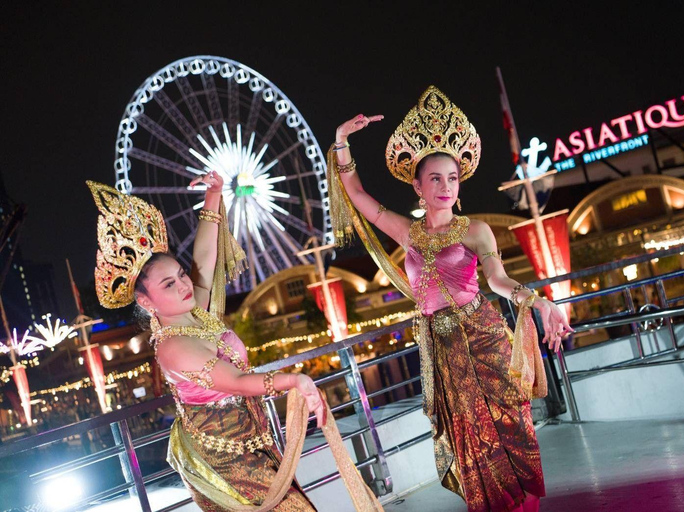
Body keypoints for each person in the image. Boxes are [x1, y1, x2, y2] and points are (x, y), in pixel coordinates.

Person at [327, 87, 573, 512]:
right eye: (435, 179)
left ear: (460, 185)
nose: (444, 186)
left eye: (452, 178)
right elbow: (359, 197)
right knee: (468, 438)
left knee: (510, 426)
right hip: (442, 350)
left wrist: (538, 302)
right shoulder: (408, 232)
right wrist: (341, 141)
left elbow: (497, 280)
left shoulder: (476, 229)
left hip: (483, 336)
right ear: (418, 187)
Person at [88, 176, 327, 511]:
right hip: (226, 461)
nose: (184, 284)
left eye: (181, 274)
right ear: (147, 301)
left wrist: (213, 194)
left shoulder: (194, 312)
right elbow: (239, 382)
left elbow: (203, 260)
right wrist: (295, 380)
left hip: (254, 438)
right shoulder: (174, 349)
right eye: (169, 284)